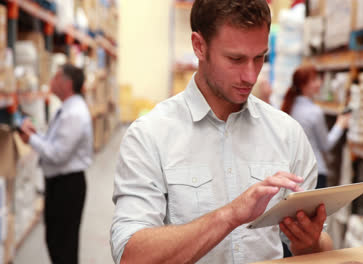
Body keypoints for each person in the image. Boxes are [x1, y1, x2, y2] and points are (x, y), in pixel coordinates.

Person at [110, 1, 333, 263]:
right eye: (235, 59)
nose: (250, 76)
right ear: (199, 46)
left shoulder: (287, 134)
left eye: (259, 57)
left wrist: (309, 242)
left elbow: (320, 245)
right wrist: (230, 215)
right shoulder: (150, 136)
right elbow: (131, 255)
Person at [19, 64, 92, 264]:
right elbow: (55, 142)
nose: (51, 80)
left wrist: (30, 140)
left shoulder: (74, 113)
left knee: (63, 245)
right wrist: (36, 135)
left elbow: (58, 154)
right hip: (60, 184)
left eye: (56, 77)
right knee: (56, 240)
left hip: (67, 186)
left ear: (67, 83)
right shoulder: (67, 108)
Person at [281, 65, 350, 189]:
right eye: (313, 80)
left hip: (293, 173)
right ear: (303, 85)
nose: (319, 83)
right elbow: (326, 145)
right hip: (315, 173)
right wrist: (340, 124)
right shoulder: (314, 111)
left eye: (318, 79)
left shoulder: (288, 107)